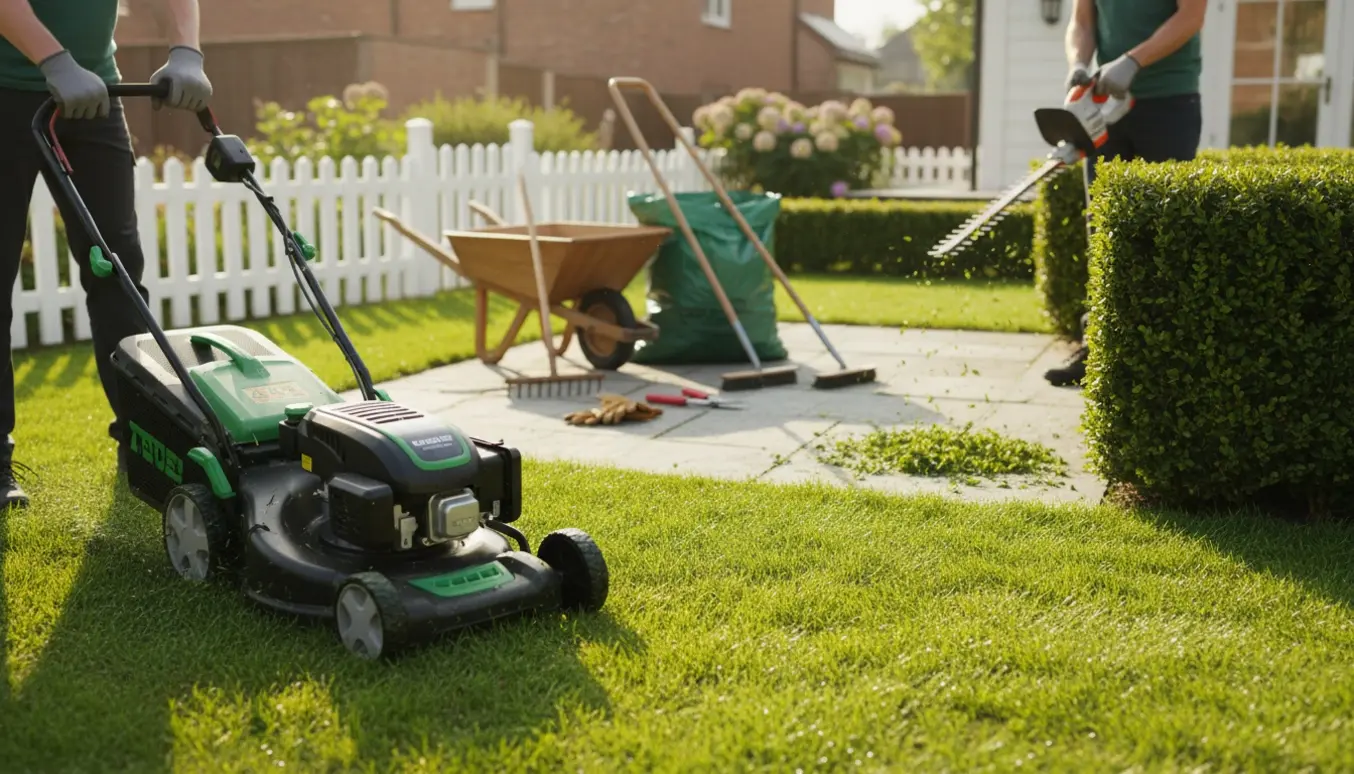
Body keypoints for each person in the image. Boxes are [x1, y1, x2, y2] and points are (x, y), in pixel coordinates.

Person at [0, 0, 212, 507]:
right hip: (8, 91)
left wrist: (187, 50)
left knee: (118, 275)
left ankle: (142, 441)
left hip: (94, 93)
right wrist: (53, 60)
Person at [1043, 0, 1206, 387]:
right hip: (1106, 104)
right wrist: (1079, 64)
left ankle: (1164, 359)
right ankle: (1099, 348)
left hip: (1169, 103)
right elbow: (1082, 21)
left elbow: (1191, 16)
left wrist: (1132, 61)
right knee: (1101, 226)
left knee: (1165, 230)